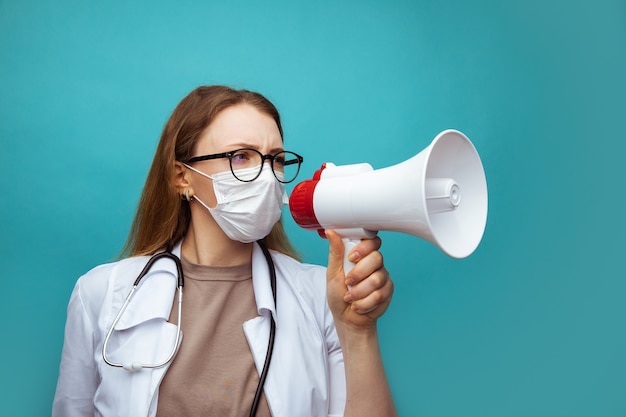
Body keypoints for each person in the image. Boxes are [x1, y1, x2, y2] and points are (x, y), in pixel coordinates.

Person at [52, 85, 397, 417]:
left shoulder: (322, 296)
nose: (266, 176)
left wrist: (358, 332)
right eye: (241, 156)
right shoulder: (100, 294)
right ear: (181, 177)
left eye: (276, 159)